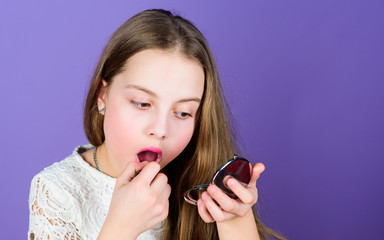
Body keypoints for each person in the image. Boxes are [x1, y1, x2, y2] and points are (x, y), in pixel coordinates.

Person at [28, 9, 286, 240]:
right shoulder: (56, 191)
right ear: (102, 95)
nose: (161, 130)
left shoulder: (200, 183)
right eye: (142, 103)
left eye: (183, 113)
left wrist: (235, 220)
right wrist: (121, 229)